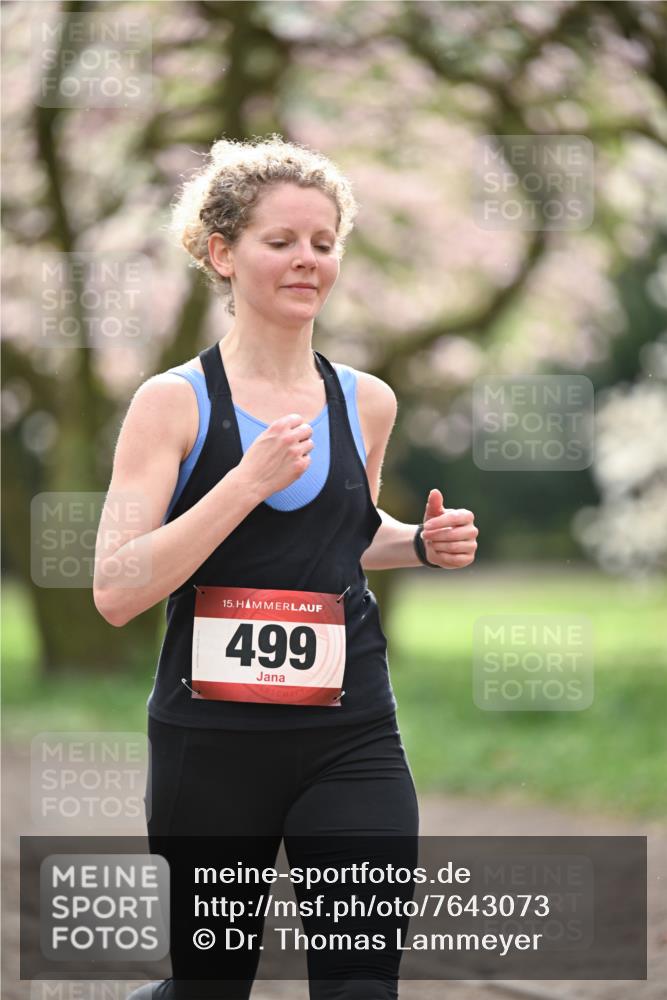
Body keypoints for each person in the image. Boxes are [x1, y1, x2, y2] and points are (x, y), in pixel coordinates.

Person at [93, 135, 478, 1000]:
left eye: (324, 242)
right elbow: (116, 587)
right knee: (209, 988)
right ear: (222, 254)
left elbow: (338, 534)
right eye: (281, 242)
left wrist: (415, 543)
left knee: (359, 987)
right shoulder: (171, 404)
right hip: (211, 747)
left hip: (352, 737)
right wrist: (242, 483)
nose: (308, 260)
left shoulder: (364, 400)